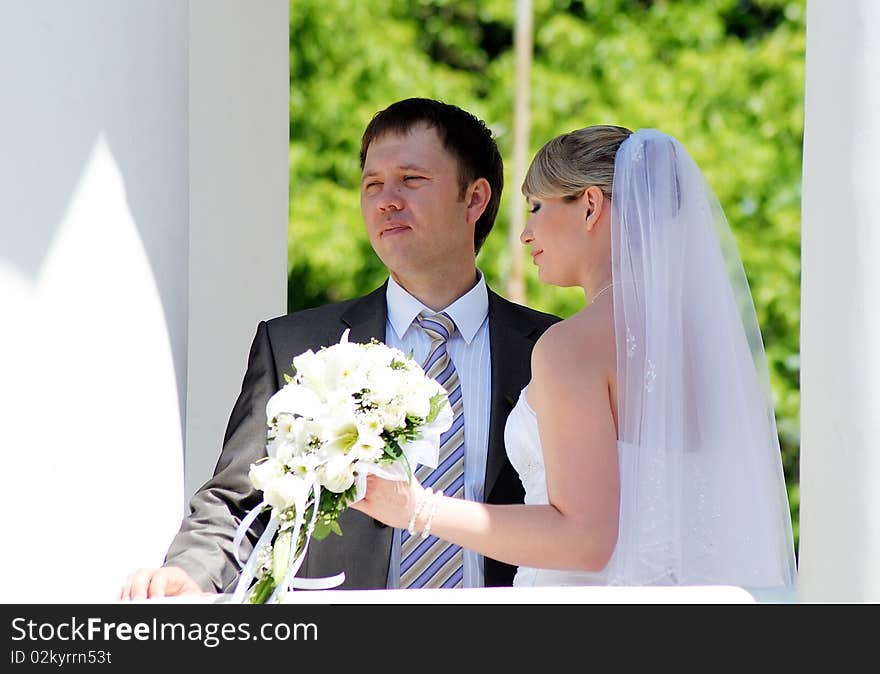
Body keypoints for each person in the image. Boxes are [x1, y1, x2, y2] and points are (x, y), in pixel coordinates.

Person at [119, 98, 560, 599]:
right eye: (372, 184)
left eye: (411, 180)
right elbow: (239, 500)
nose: (386, 200)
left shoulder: (550, 352)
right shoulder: (295, 346)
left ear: (475, 199)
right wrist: (188, 574)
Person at [354, 125, 798, 588]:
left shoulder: (571, 347)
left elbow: (584, 539)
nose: (526, 234)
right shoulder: (704, 343)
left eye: (537, 207)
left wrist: (417, 509)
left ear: (589, 206)